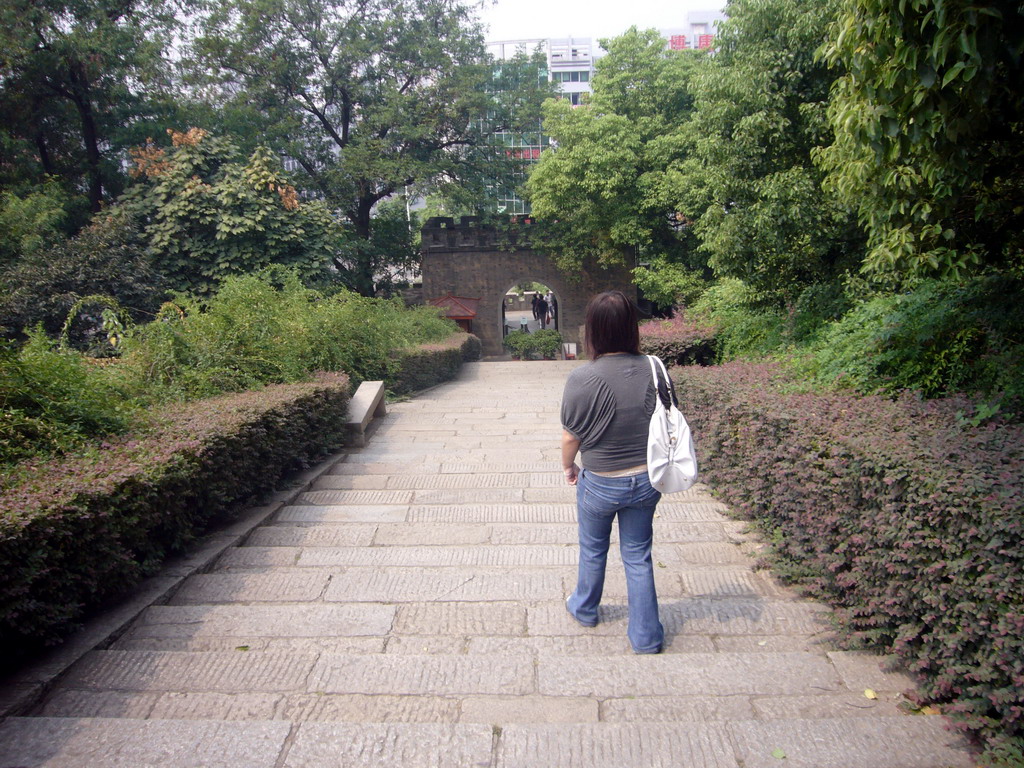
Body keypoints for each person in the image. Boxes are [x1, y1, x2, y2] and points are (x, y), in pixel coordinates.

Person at [560, 290, 670, 654]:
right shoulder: (655, 367)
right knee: (638, 555)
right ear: (631, 327)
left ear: (593, 330)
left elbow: (570, 437)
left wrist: (568, 467)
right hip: (646, 479)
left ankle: (585, 608)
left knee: (593, 549)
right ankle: (646, 637)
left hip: (602, 482)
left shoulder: (582, 378)